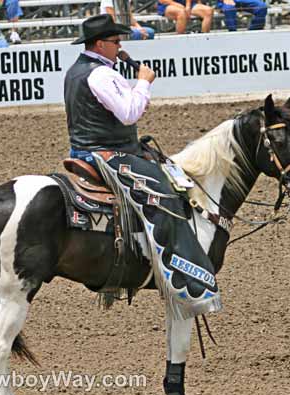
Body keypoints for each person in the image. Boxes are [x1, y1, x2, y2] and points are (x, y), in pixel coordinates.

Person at [65, 14, 221, 319]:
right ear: (99, 44)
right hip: (107, 153)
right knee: (163, 197)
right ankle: (183, 276)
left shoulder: (81, 71)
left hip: (91, 148)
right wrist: (144, 83)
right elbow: (129, 114)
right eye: (115, 41)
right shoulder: (100, 75)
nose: (120, 45)